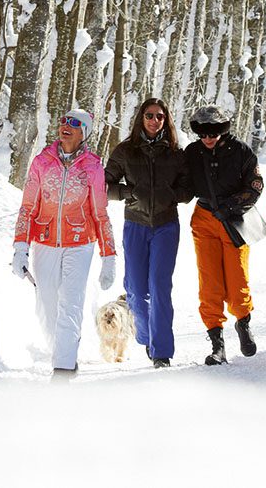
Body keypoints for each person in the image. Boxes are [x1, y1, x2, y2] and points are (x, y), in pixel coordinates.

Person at [12, 109, 117, 379]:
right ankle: (63, 353)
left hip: (80, 242)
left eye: (74, 123)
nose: (65, 126)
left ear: (84, 132)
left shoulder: (92, 167)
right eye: (63, 121)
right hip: (45, 241)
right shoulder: (42, 162)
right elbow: (27, 207)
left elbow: (100, 213)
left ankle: (64, 368)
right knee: (47, 305)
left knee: (70, 303)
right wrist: (20, 247)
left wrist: (109, 256)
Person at [104, 98, 190, 368]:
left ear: (167, 120)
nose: (155, 121)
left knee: (160, 287)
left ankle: (161, 351)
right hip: (135, 225)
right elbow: (104, 185)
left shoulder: (176, 153)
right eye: (150, 115)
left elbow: (188, 188)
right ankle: (145, 335)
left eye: (160, 117)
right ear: (141, 118)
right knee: (136, 291)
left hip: (166, 225)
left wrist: (171, 195)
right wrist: (128, 193)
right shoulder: (126, 151)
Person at [183, 104, 263, 366]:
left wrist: (230, 207)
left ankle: (243, 321)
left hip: (234, 220)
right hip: (204, 219)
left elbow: (255, 186)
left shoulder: (241, 151)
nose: (208, 137)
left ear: (222, 129)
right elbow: (180, 185)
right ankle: (217, 343)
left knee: (237, 278)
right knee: (210, 282)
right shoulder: (192, 153)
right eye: (203, 132)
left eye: (213, 131)